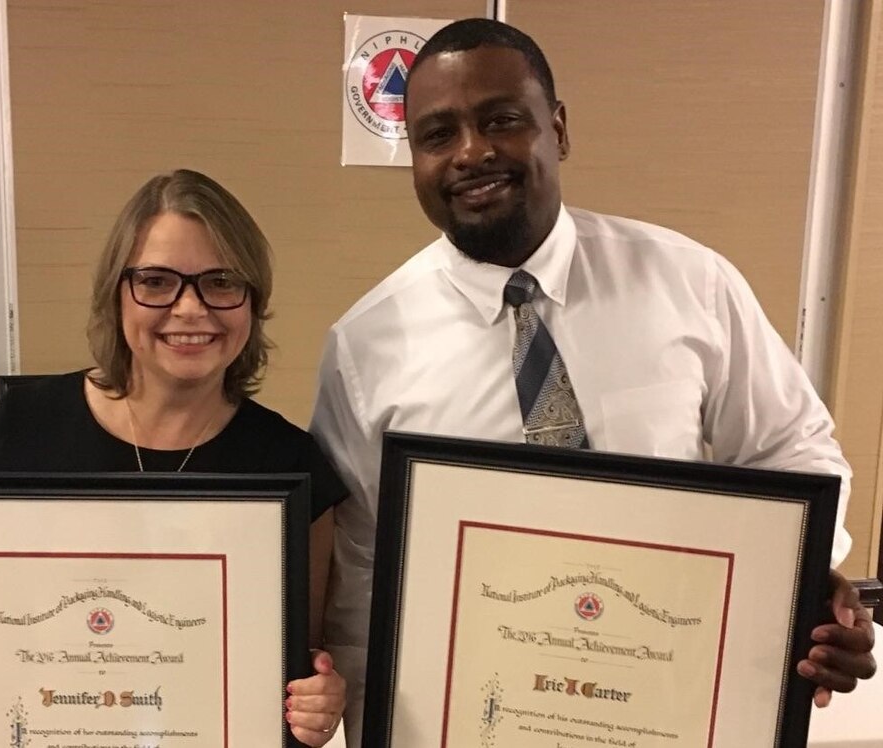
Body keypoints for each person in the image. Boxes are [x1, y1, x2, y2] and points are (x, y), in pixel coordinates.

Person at [310, 18, 877, 746]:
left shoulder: (690, 283)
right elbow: (361, 579)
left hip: (675, 699)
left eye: (502, 120)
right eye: (437, 135)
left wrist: (806, 592)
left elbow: (794, 447)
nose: (472, 152)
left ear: (559, 128)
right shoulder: (365, 346)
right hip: (478, 718)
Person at [0, 169, 347, 746]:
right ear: (117, 292)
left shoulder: (292, 466)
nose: (190, 309)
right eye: (157, 281)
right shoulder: (18, 431)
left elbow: (299, 657)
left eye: (221, 280)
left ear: (252, 300)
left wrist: (318, 701)